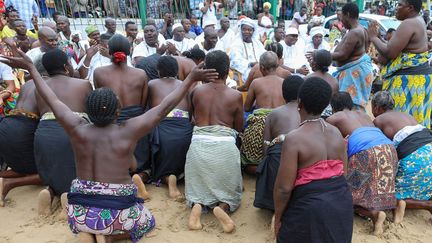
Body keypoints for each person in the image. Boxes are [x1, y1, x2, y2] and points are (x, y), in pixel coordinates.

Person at [2, 46, 218, 243]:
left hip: (80, 211)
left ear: (88, 110)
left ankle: (88, 232)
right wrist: (189, 79)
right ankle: (109, 238)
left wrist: (32, 67)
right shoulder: (128, 131)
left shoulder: (76, 128)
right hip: (116, 211)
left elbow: (53, 99)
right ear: (118, 111)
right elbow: (163, 107)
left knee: (83, 208)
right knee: (147, 223)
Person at [273, 77, 353, 243]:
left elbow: (283, 188)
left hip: (311, 208)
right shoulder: (336, 133)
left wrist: (279, 218)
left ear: (299, 103)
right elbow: (344, 174)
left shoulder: (294, 138)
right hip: (341, 204)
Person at [327, 91, 401, 235]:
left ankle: (374, 214)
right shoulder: (364, 115)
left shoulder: (335, 117)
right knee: (372, 188)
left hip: (365, 153)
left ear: (334, 107)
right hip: (388, 149)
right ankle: (393, 205)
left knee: (344, 195)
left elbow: (325, 140)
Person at [186, 50, 243, 233]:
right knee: (231, 192)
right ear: (228, 71)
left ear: (205, 70)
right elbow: (238, 127)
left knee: (197, 185)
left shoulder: (196, 91)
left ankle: (197, 205)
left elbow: (191, 119)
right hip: (225, 145)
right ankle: (223, 207)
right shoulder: (234, 95)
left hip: (198, 144)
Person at [33, 49, 92, 215]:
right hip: (73, 130)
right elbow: (92, 110)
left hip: (44, 132)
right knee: (80, 168)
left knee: (54, 167)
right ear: (67, 67)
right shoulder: (83, 84)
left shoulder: (40, 88)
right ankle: (69, 196)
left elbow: (40, 112)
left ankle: (51, 192)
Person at [94, 34, 151, 178]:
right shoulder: (140, 74)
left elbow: (101, 99)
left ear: (109, 50)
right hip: (136, 121)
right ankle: (141, 175)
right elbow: (143, 103)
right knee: (142, 162)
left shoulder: (99, 72)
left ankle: (120, 174)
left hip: (112, 121)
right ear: (130, 49)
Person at [368, 0, 431, 129]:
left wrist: (373, 37)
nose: (396, 8)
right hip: (417, 79)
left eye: (400, 5)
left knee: (402, 125)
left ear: (410, 8)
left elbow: (390, 52)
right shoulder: (418, 20)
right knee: (415, 123)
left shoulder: (409, 23)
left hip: (409, 81)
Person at [372, 91, 432, 218]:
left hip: (416, 157)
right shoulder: (407, 115)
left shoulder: (378, 120)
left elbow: (382, 151)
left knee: (385, 198)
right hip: (428, 148)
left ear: (377, 107)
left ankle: (426, 205)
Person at [254, 75, 303, 211]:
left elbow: (266, 144)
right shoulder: (305, 113)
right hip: (301, 156)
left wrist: (266, 162)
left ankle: (272, 205)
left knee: (268, 164)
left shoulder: (273, 114)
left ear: (283, 93)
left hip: (277, 156)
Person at [148, 56, 193, 199]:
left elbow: (147, 107)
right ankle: (177, 176)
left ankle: (167, 178)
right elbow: (191, 111)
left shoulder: (152, 84)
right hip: (184, 129)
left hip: (163, 127)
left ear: (159, 71)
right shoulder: (184, 84)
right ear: (177, 71)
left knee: (155, 156)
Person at [0, 79, 43, 206]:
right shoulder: (48, 85)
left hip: (7, 123)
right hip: (21, 131)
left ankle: (3, 176)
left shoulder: (29, 83)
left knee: (24, 166)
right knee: (47, 172)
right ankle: (8, 183)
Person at [242, 51, 285, 174]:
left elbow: (246, 107)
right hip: (279, 126)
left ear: (261, 67)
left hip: (259, 128)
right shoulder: (284, 82)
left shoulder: (256, 83)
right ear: (277, 66)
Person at [332, 3, 373, 111]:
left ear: (348, 15)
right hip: (357, 70)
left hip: (355, 73)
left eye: (342, 17)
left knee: (350, 106)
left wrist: (322, 54)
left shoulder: (355, 32)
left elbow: (342, 55)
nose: (341, 21)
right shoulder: (361, 29)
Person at [307, 49, 338, 118]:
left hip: (311, 116)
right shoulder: (334, 81)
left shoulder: (307, 79)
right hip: (328, 117)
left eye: (312, 59)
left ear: (314, 63)